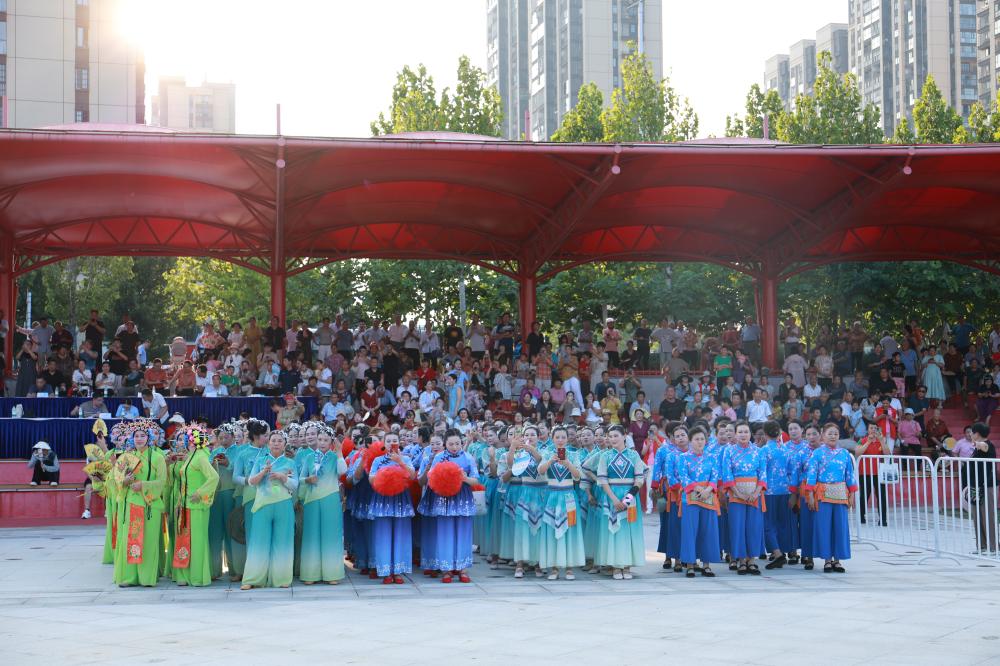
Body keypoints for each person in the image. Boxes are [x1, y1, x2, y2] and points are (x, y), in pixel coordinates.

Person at [418, 429, 478, 582]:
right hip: (443, 498)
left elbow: (476, 480)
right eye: (451, 444)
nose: (454, 447)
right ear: (445, 444)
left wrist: (465, 479)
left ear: (461, 443)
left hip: (463, 498)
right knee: (445, 533)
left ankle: (462, 569)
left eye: (457, 443)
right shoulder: (439, 457)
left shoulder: (468, 457)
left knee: (463, 533)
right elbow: (431, 478)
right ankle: (446, 569)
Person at [242, 430, 298, 589]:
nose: (276, 443)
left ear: (285, 444)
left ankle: (281, 579)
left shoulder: (290, 463)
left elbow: (295, 485)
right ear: (268, 443)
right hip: (263, 505)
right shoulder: (261, 460)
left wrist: (283, 477)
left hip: (284, 505)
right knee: (258, 542)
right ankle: (252, 580)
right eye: (273, 440)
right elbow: (251, 482)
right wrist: (263, 472)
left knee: (283, 541)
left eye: (280, 441)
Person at [113, 424, 167, 587]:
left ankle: (147, 578)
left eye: (143, 435)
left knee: (149, 542)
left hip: (150, 504)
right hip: (132, 502)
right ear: (132, 439)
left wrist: (143, 485)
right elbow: (117, 481)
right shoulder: (127, 457)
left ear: (149, 438)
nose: (139, 439)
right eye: (136, 436)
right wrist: (125, 481)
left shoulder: (157, 457)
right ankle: (130, 578)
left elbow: (162, 482)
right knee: (131, 539)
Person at [803, 423, 857, 573]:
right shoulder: (817, 453)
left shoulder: (845, 453)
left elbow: (849, 475)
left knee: (840, 527)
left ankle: (837, 560)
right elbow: (811, 475)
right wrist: (810, 495)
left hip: (840, 494)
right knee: (824, 527)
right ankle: (827, 560)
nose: (833, 436)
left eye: (835, 434)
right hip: (823, 494)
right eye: (830, 433)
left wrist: (852, 494)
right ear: (823, 435)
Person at [594, 424, 646, 580]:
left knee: (629, 531)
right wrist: (615, 499)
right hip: (611, 497)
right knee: (613, 532)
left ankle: (627, 565)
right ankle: (616, 566)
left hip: (630, 497)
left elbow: (639, 478)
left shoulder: (634, 455)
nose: (613, 439)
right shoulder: (605, 456)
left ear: (624, 436)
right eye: (610, 436)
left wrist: (628, 499)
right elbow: (602, 480)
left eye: (616, 436)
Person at [170, 428, 220, 587]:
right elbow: (184, 482)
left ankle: (197, 576)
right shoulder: (192, 456)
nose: (186, 442)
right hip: (186, 505)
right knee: (184, 539)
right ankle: (185, 574)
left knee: (197, 540)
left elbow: (214, 477)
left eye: (188, 439)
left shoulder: (201, 457)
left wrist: (200, 493)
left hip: (197, 506)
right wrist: (179, 502)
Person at [299, 426, 347, 584]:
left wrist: (339, 452)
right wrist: (308, 479)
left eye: (326, 440)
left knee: (330, 536)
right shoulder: (309, 457)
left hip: (331, 499)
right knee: (311, 536)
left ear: (331, 441)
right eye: (320, 439)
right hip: (312, 500)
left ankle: (332, 574)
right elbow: (300, 479)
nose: (322, 442)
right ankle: (310, 574)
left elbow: (343, 471)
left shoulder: (334, 457)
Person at [537, 426, 585, 580]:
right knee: (552, 529)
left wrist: (568, 463)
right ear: (552, 439)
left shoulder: (573, 454)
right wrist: (550, 460)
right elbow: (540, 471)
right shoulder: (547, 453)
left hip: (569, 495)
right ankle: (554, 568)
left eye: (563, 437)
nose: (560, 440)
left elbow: (578, 476)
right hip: (552, 495)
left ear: (567, 439)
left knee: (570, 530)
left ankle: (569, 568)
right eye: (557, 437)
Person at [368, 432, 416, 584]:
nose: (391, 443)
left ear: (399, 442)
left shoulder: (405, 459)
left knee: (401, 534)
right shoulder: (378, 460)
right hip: (383, 499)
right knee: (383, 534)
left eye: (394, 440)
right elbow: (371, 479)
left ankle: (398, 571)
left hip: (401, 499)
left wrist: (400, 462)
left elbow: (412, 476)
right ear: (383, 443)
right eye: (388, 441)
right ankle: (385, 571)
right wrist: (384, 476)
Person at [720, 421, 766, 575]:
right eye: (740, 432)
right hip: (735, 494)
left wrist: (756, 492)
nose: (743, 435)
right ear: (735, 434)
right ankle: (741, 561)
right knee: (737, 527)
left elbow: (763, 474)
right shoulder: (729, 451)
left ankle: (751, 561)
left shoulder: (758, 451)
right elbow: (727, 473)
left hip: (755, 494)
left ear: (750, 434)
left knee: (753, 527)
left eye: (746, 432)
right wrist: (737, 493)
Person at [677, 427, 720, 578]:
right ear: (690, 441)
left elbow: (715, 476)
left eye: (702, 439)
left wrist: (708, 490)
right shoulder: (683, 458)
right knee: (690, 532)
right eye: (696, 439)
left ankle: (706, 565)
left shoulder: (712, 457)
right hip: (690, 498)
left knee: (708, 531)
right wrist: (698, 488)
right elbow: (683, 477)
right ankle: (690, 564)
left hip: (708, 497)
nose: (700, 442)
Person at [962, 422, 998, 553]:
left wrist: (975, 443)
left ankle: (993, 547)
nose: (970, 434)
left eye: (972, 432)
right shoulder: (976, 448)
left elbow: (983, 446)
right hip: (975, 485)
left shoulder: (987, 445)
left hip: (986, 486)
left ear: (977, 433)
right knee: (977, 516)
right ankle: (982, 546)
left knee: (988, 515)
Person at [854, 429, 890, 526]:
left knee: (881, 496)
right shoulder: (862, 440)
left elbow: (887, 454)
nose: (873, 430)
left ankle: (883, 519)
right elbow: (857, 453)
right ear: (868, 430)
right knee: (864, 495)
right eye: (871, 428)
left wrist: (881, 440)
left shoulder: (882, 440)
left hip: (879, 473)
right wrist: (868, 442)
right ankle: (861, 517)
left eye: (875, 428)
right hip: (864, 473)